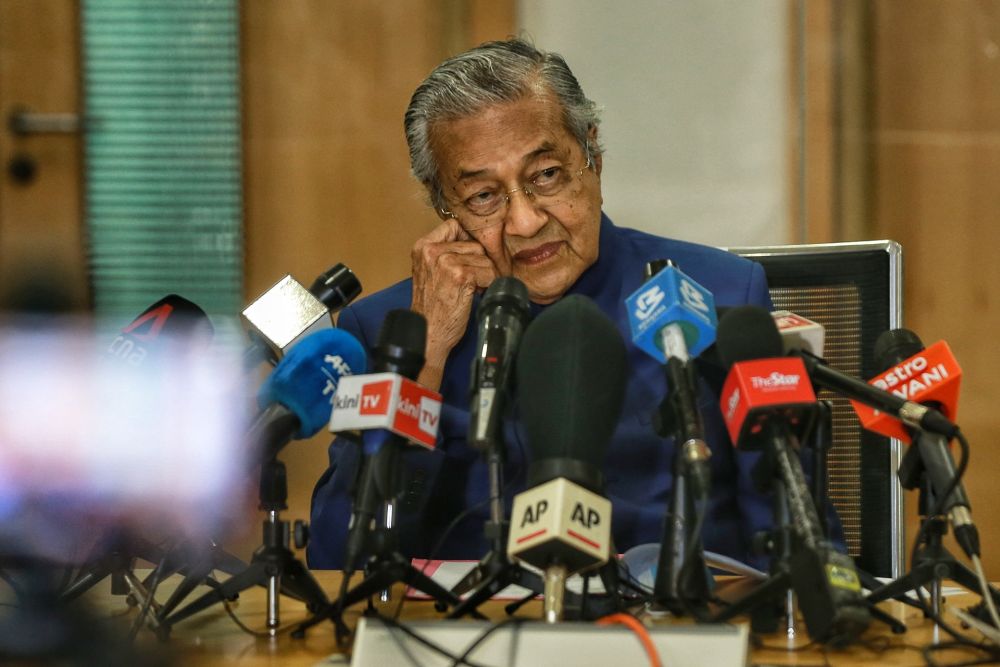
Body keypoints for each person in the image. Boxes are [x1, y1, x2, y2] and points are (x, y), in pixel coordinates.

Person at [308, 38, 779, 570]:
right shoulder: (390, 332)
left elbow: (790, 541)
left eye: (546, 175)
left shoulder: (719, 294)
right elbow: (340, 557)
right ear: (443, 204)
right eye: (484, 196)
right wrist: (427, 360)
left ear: (593, 155)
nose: (526, 222)